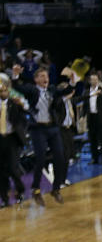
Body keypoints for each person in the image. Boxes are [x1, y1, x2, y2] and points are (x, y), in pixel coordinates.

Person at [11, 64, 75, 205]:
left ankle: (56, 189)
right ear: (36, 80)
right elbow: (16, 88)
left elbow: (67, 91)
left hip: (52, 128)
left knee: (60, 157)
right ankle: (36, 189)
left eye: (46, 76)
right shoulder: (32, 90)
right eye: (41, 76)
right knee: (40, 159)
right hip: (38, 129)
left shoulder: (52, 90)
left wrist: (72, 81)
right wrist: (15, 75)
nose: (45, 78)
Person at [0, 78, 28, 207]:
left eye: (5, 90)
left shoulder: (15, 103)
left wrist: (21, 105)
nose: (2, 92)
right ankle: (4, 198)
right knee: (1, 171)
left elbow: (25, 114)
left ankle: (20, 190)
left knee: (12, 167)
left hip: (12, 138)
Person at [83, 72, 102, 165]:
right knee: (92, 139)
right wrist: (83, 116)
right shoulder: (87, 92)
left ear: (98, 80)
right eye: (92, 79)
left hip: (101, 117)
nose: (94, 81)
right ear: (89, 81)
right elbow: (85, 105)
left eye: (96, 79)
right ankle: (94, 158)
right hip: (91, 117)